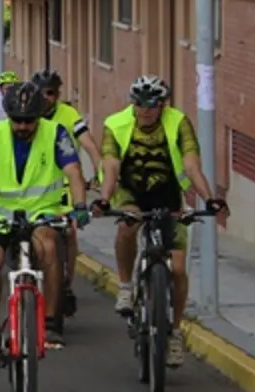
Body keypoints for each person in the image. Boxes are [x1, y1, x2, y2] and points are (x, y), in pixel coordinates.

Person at [93, 75, 227, 367]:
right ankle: (127, 287)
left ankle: (175, 333)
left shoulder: (178, 122)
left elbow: (191, 165)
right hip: (130, 189)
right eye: (139, 103)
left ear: (163, 104)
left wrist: (209, 198)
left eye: (152, 104)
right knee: (128, 224)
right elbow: (111, 165)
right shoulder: (115, 124)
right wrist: (104, 199)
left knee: (178, 268)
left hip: (167, 194)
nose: (146, 110)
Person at [0, 81, 90, 368]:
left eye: (29, 121)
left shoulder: (56, 134)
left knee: (50, 248)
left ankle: (52, 321)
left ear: (39, 117)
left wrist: (80, 206)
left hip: (41, 213)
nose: (23, 126)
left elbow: (74, 172)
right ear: (8, 117)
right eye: (17, 120)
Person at [32, 68, 101, 316]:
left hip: (67, 184)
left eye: (50, 93)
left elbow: (89, 144)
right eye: (40, 92)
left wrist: (100, 172)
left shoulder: (68, 114)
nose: (45, 97)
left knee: (70, 233)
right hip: (37, 186)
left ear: (57, 94)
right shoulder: (27, 115)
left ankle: (67, 285)